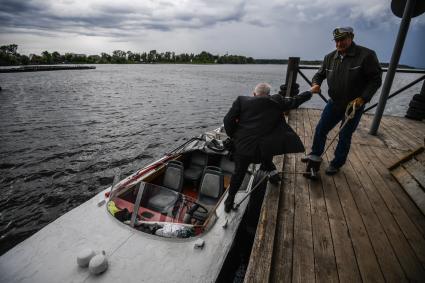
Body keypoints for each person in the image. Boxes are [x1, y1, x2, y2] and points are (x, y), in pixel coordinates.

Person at [223, 83, 312, 212]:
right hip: (265, 149)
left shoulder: (241, 101)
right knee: (266, 156)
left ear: (254, 94)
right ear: (268, 94)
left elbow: (228, 121)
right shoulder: (277, 101)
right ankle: (274, 176)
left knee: (238, 173)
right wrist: (310, 92)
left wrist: (236, 137)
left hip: (244, 148)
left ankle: (229, 200)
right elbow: (295, 101)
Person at [304, 26, 382, 175]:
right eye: (336, 40)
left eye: (342, 40)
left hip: (354, 105)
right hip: (334, 103)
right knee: (321, 129)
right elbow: (319, 75)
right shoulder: (329, 57)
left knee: (345, 135)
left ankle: (337, 163)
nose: (339, 44)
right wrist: (316, 84)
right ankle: (315, 155)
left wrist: (363, 98)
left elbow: (375, 80)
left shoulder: (367, 55)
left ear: (351, 37)